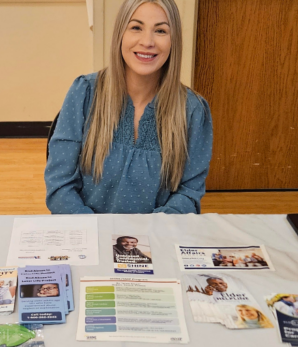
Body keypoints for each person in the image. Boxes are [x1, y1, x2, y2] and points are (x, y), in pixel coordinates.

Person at [45, 0, 212, 214]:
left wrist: (143, 237)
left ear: (174, 41)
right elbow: (59, 185)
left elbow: (188, 193)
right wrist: (98, 232)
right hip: (88, 234)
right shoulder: (84, 93)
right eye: (136, 27)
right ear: (120, 35)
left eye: (160, 30)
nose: (147, 41)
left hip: (153, 240)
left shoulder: (193, 110)